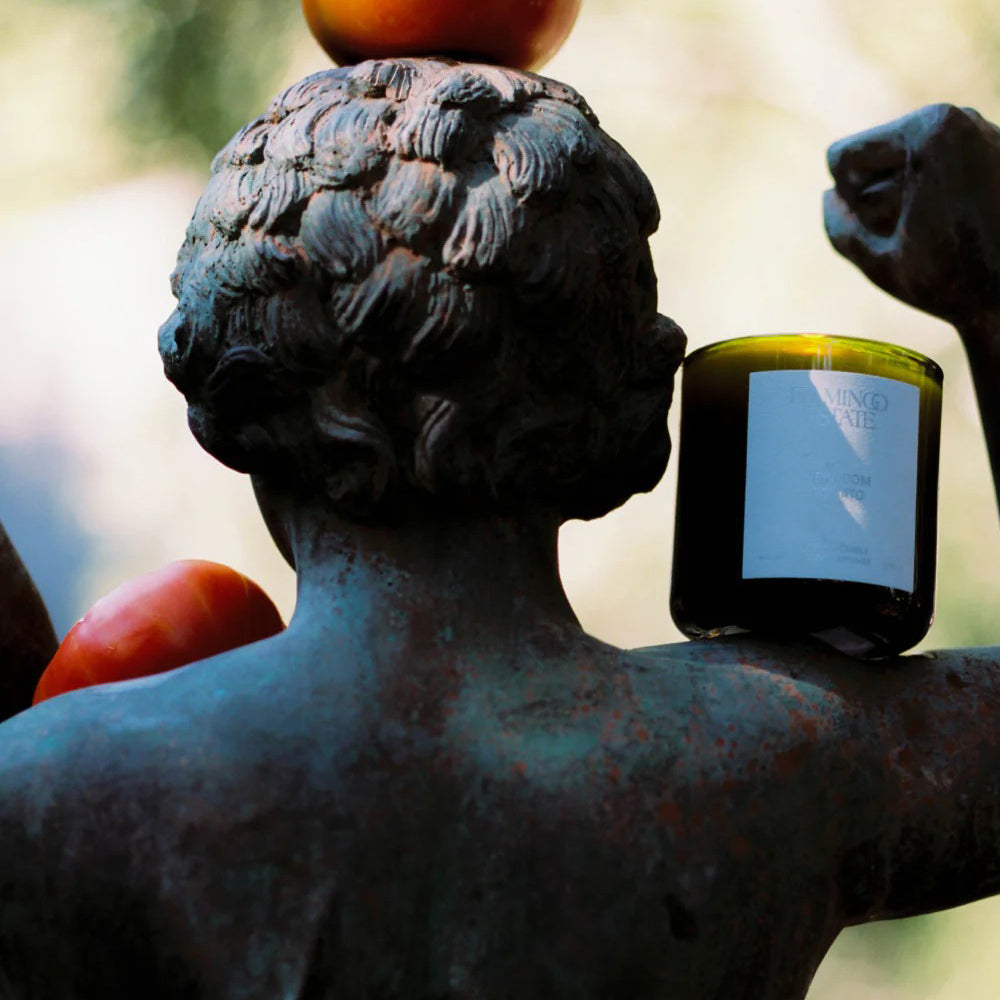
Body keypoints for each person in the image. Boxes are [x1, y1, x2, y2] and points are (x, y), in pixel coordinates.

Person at [0, 61, 997, 998]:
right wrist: (991, 290)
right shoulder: (787, 761)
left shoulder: (56, 795)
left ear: (228, 379)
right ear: (633, 395)